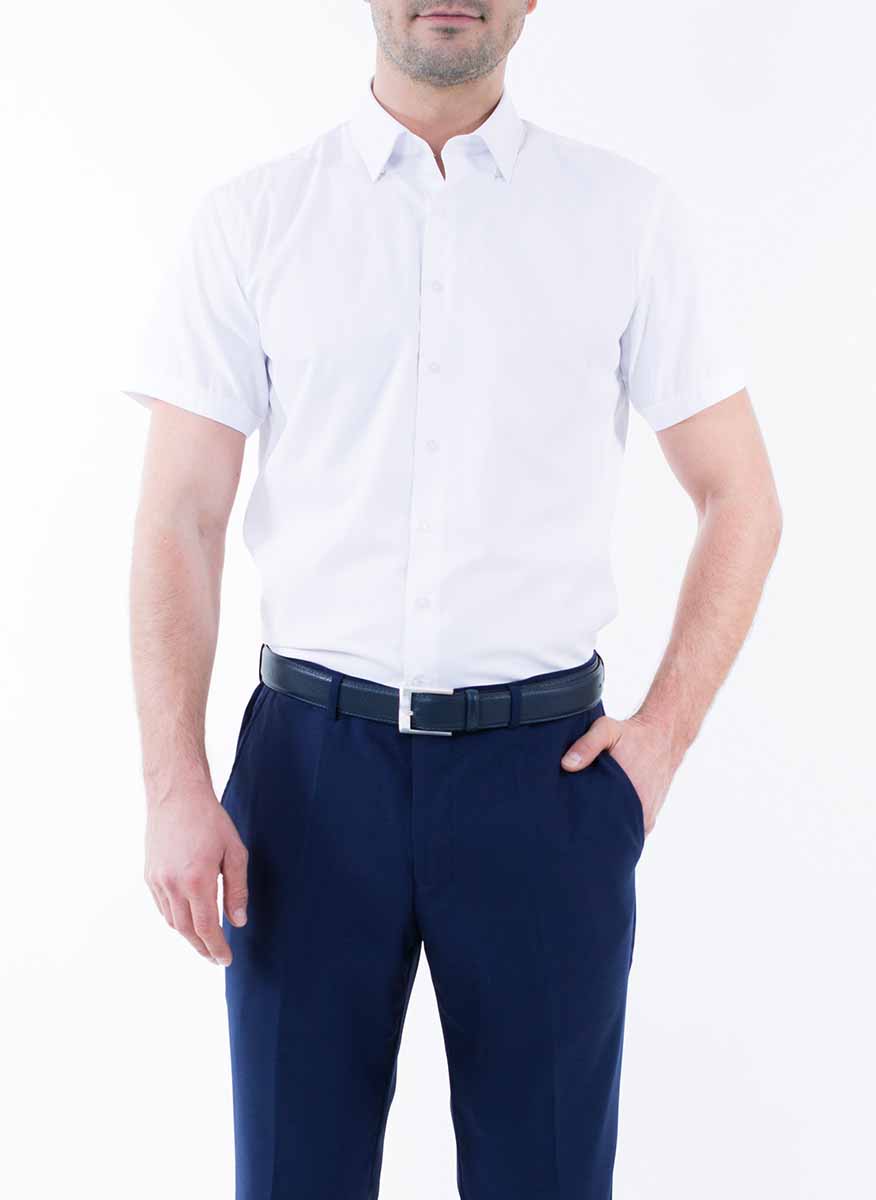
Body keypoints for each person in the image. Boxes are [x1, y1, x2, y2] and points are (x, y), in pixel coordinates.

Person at [122, 3, 782, 1197]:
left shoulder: (623, 218)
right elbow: (181, 516)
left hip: (546, 782)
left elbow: (741, 496)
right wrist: (174, 782)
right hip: (306, 784)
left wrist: (661, 744)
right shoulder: (256, 220)